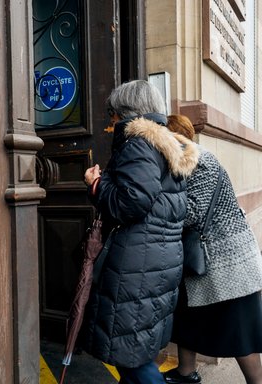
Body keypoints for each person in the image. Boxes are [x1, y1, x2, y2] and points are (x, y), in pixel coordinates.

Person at [83, 80, 199, 384]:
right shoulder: (167, 144)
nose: (111, 123)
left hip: (137, 264)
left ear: (126, 112)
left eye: (113, 115)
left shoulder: (138, 143)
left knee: (131, 357)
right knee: (136, 349)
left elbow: (130, 202)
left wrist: (96, 184)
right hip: (156, 259)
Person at [163, 114, 262, 384]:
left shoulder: (201, 161)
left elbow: (192, 212)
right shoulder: (183, 162)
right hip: (206, 260)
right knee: (187, 316)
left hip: (230, 261)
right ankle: (186, 372)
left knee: (240, 329)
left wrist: (157, 203)